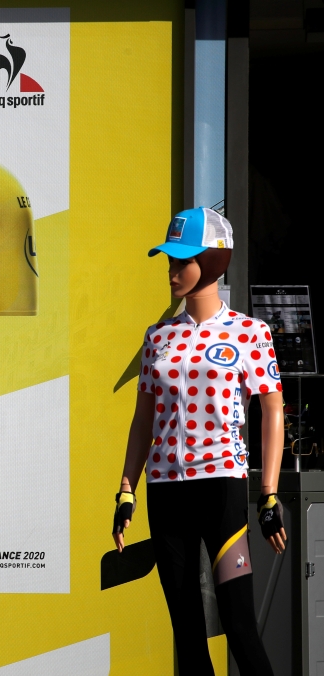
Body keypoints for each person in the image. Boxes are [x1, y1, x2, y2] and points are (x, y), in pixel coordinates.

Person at [113, 208, 286, 675]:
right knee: (186, 631)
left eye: (182, 261)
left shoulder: (250, 333)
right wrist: (127, 489)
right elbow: (142, 421)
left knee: (238, 624)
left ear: (213, 261)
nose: (172, 271)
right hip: (166, 494)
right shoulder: (157, 338)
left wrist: (268, 493)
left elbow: (272, 410)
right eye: (168, 261)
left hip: (222, 490)